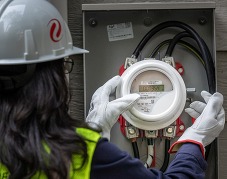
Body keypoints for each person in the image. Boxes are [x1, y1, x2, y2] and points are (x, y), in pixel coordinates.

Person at [0, 0, 225, 178]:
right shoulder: (82, 154)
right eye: (64, 65)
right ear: (51, 78)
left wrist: (95, 128)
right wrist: (196, 138)